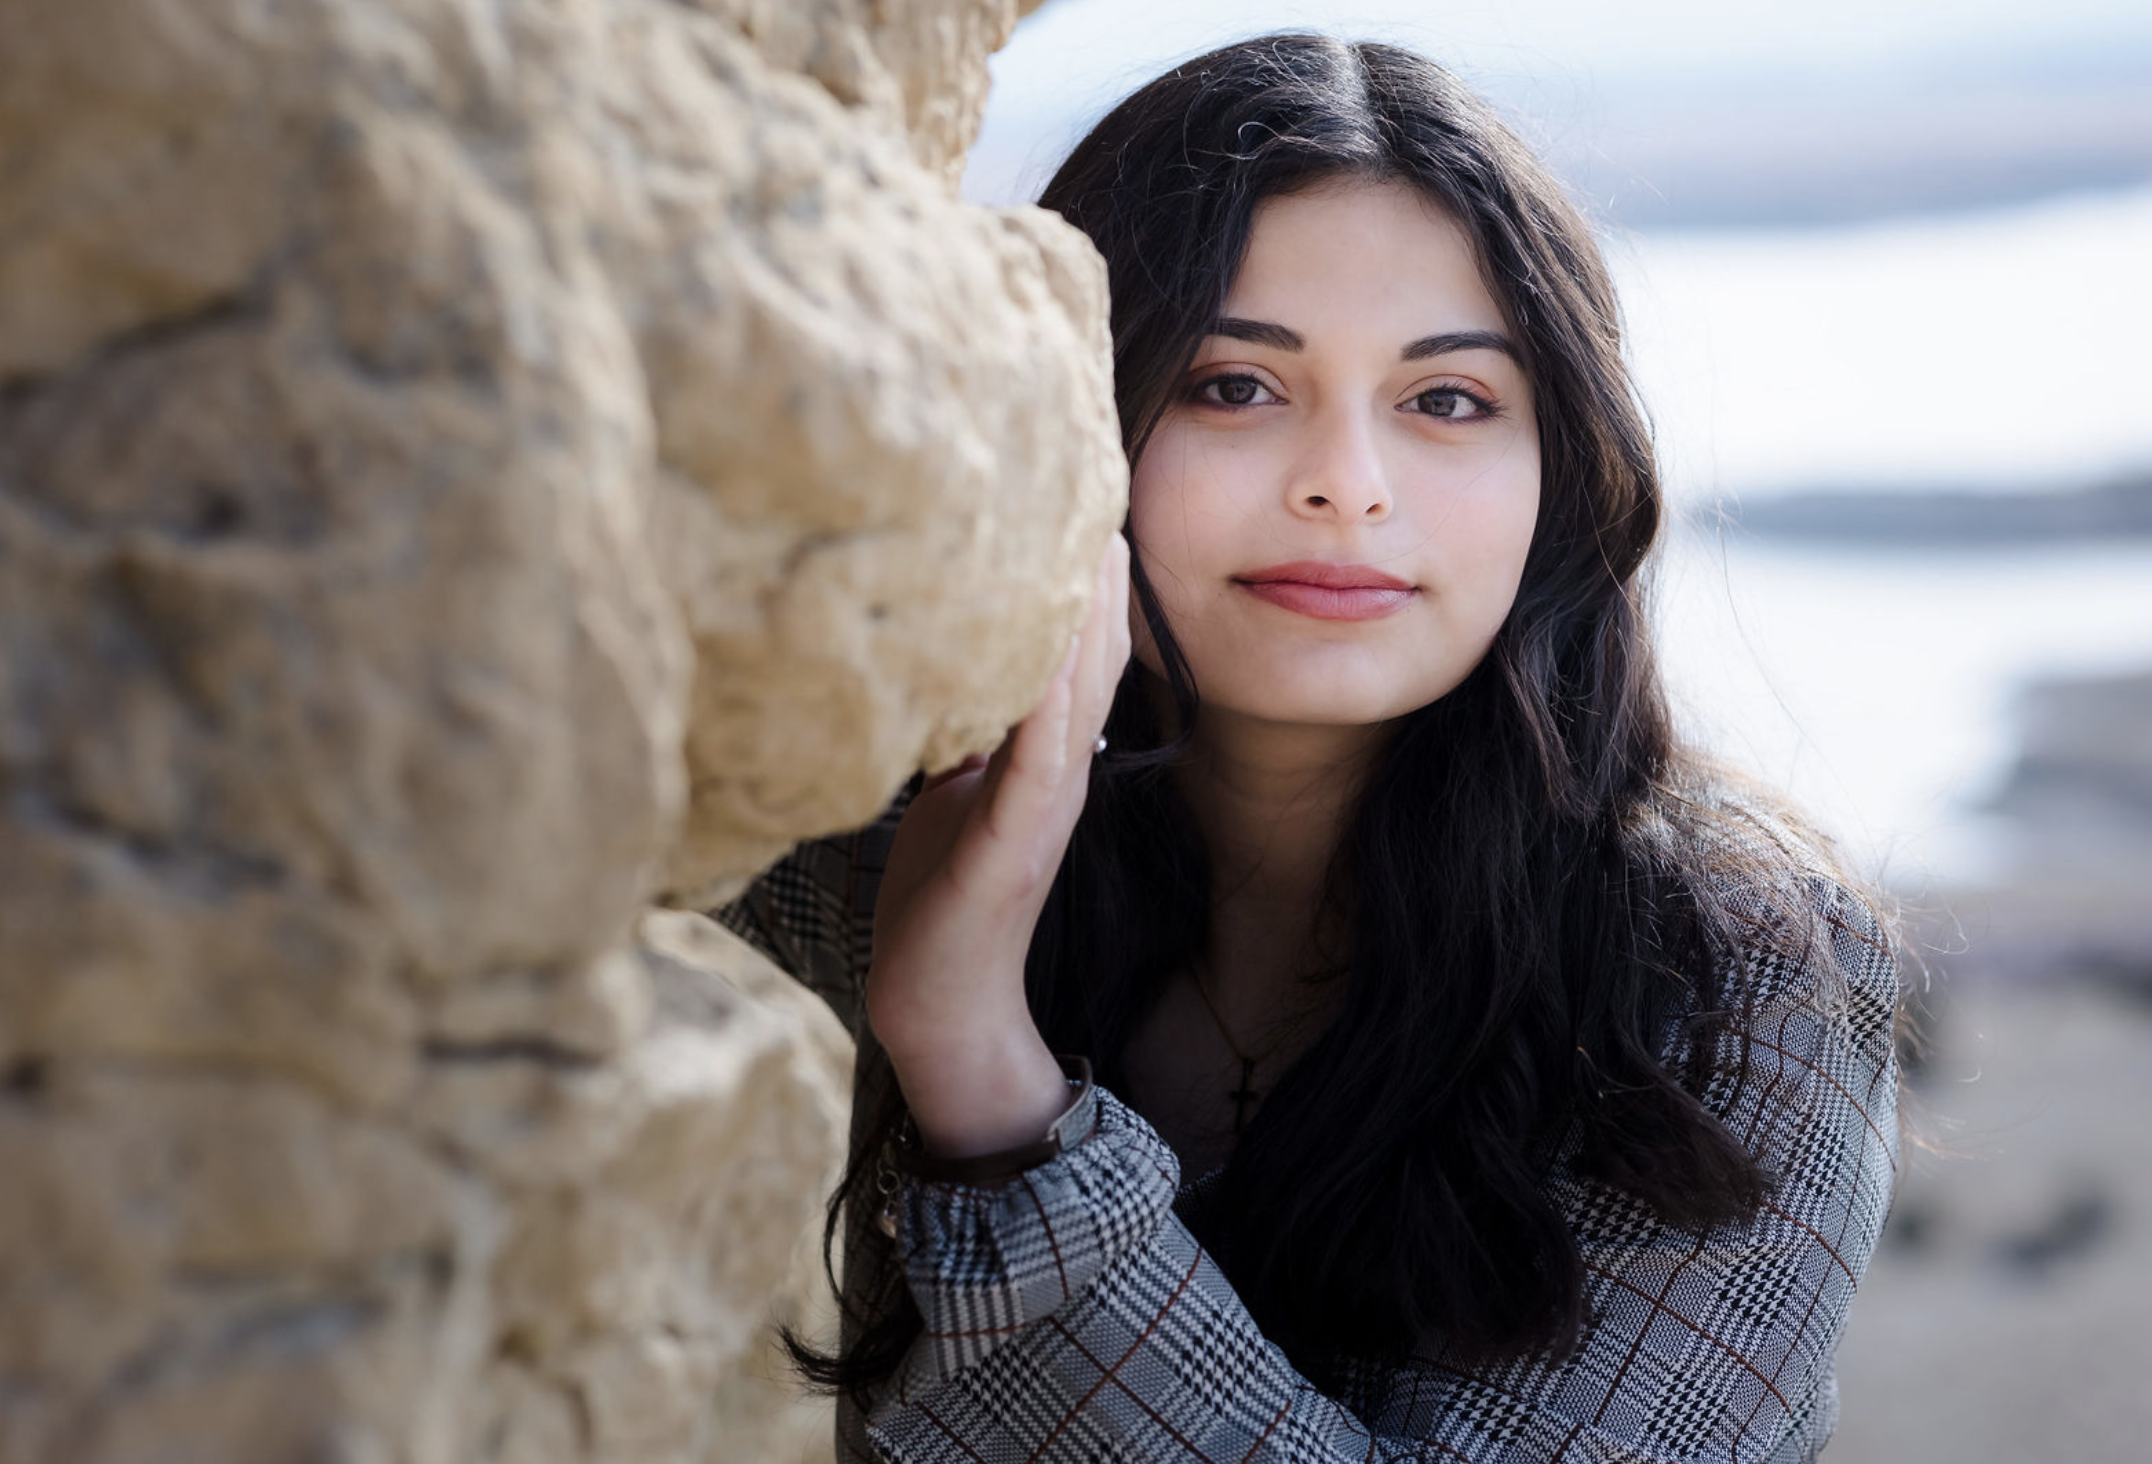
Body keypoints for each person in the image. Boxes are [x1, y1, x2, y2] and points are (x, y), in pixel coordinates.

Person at [710, 31, 1901, 1464]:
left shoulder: (1726, 979)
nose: (1346, 482)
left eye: (1445, 401)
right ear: (1068, 426)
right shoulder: (866, 831)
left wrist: (982, 1079)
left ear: (1561, 476)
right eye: (1231, 385)